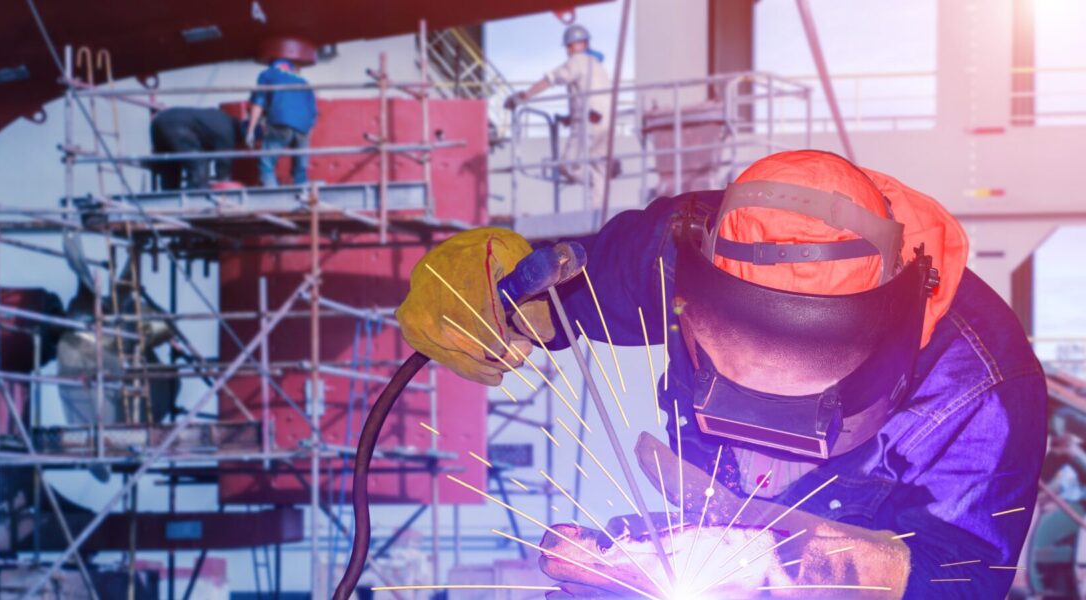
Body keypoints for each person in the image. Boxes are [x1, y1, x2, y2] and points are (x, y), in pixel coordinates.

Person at [397, 150, 1047, 598]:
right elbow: (572, 291)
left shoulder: (984, 389)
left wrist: (798, 569)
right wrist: (496, 300)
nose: (763, 443)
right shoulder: (689, 250)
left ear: (891, 352)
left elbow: (964, 577)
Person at [505, 24, 613, 209]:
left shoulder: (577, 61)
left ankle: (594, 187)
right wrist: (569, 118)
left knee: (567, 165)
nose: (569, 50)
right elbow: (590, 95)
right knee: (598, 166)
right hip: (605, 121)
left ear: (582, 44)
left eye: (571, 45)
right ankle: (599, 211)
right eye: (568, 46)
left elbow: (552, 79)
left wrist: (525, 96)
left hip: (588, 121)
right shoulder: (597, 65)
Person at [246, 57, 317, 187]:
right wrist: (306, 135)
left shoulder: (267, 74)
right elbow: (313, 112)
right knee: (300, 168)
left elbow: (258, 103)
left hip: (281, 122)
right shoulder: (304, 81)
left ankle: (273, 198)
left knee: (266, 164)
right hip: (304, 127)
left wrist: (250, 130)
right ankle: (303, 196)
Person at [149, 107, 243, 190]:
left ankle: (169, 201)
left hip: (159, 121)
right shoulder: (228, 132)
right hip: (177, 127)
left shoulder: (221, 119)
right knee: (199, 166)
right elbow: (224, 167)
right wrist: (226, 191)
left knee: (171, 168)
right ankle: (195, 201)